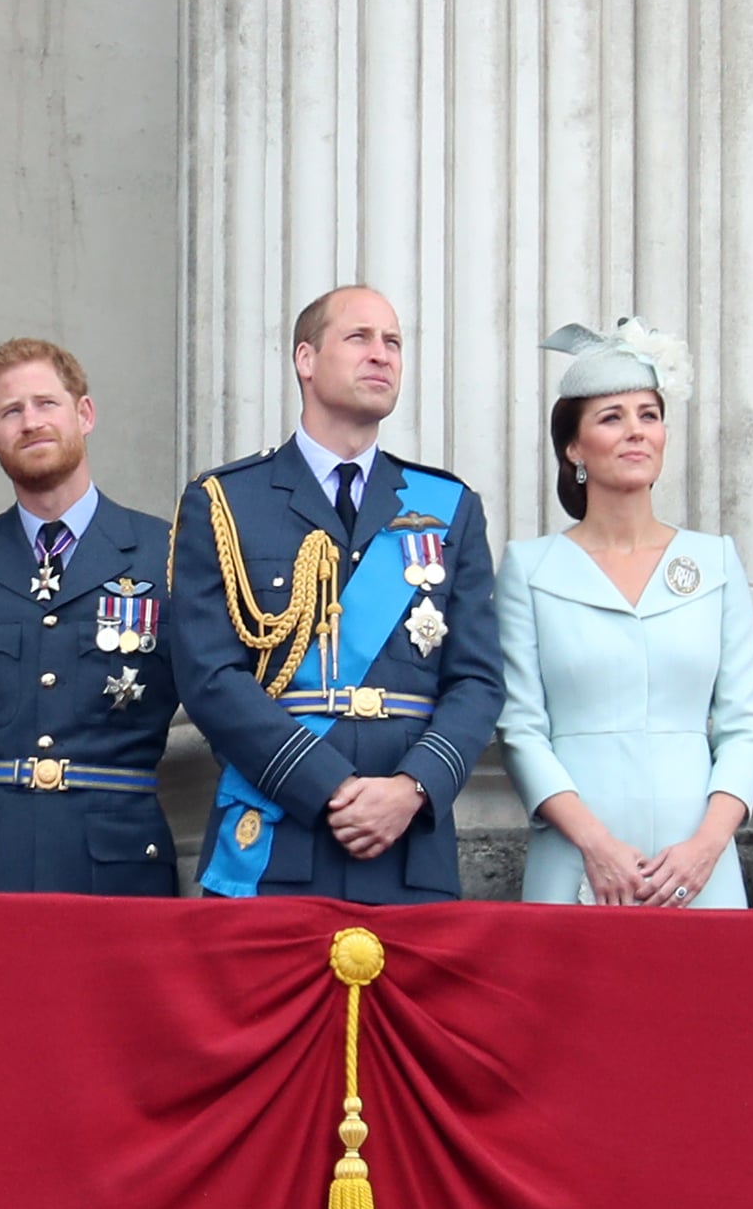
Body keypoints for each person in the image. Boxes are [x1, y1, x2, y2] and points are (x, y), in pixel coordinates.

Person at [167, 286, 502, 902]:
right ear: (306, 359)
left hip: (409, 847)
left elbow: (478, 681)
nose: (382, 355)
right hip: (277, 833)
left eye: (393, 342)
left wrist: (412, 788)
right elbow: (208, 676)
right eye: (360, 338)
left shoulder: (447, 507)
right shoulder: (226, 503)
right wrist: (325, 785)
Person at [0, 338, 181, 895]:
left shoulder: (167, 556)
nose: (31, 422)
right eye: (11, 411)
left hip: (120, 873)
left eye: (46, 403)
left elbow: (219, 704)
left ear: (85, 413)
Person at [496, 319, 753, 907]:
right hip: (576, 861)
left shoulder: (714, 561)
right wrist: (596, 846)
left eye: (649, 414)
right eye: (611, 417)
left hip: (699, 866)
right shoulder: (530, 567)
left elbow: (745, 727)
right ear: (574, 447)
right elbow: (521, 729)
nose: (636, 432)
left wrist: (706, 846)